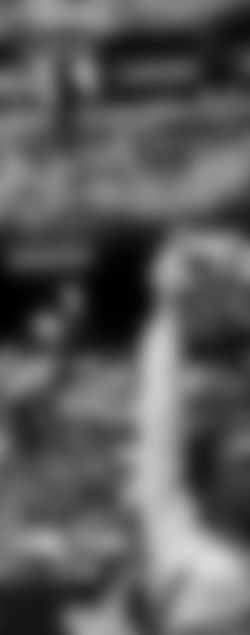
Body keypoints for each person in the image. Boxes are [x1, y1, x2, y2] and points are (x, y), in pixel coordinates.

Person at [127, 232, 250, 634]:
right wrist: (168, 316)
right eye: (242, 462)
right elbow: (157, 417)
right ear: (207, 477)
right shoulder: (174, 530)